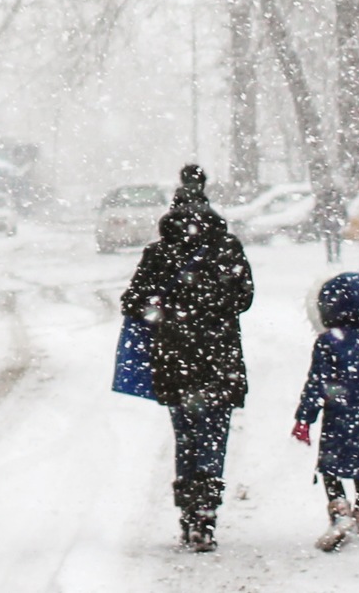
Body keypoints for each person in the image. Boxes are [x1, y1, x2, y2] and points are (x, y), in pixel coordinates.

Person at [121, 164, 255, 552]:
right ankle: (207, 514)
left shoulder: (160, 253)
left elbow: (132, 301)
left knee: (186, 437)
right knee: (213, 436)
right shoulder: (227, 248)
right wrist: (212, 307)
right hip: (220, 359)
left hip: (174, 360)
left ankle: (188, 514)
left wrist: (166, 310)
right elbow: (244, 298)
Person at [290, 271, 359, 551]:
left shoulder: (329, 342)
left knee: (332, 468)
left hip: (340, 418)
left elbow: (317, 384)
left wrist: (304, 418)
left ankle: (340, 512)